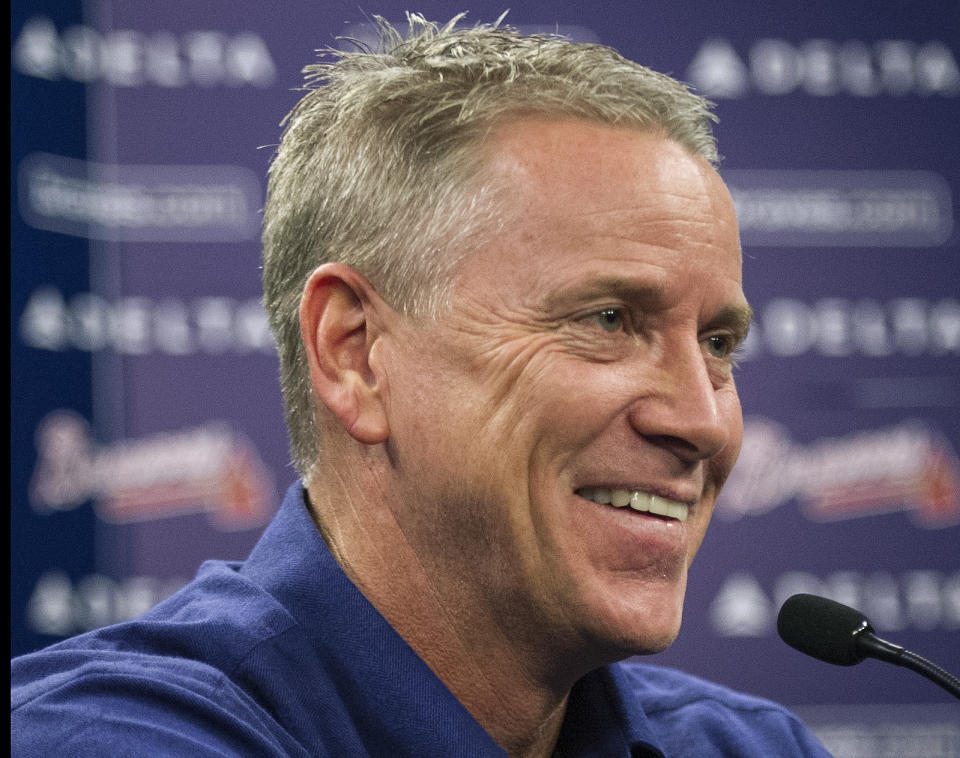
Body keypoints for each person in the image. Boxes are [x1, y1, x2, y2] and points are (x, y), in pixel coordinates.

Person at [11, 14, 832, 758]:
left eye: (718, 343)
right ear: (356, 356)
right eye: (609, 320)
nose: (704, 421)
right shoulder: (109, 738)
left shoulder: (753, 747)